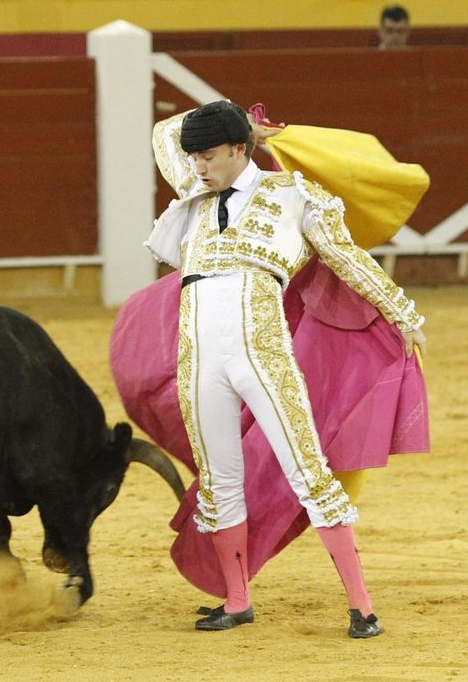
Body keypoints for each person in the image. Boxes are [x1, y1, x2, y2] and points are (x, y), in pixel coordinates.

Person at [110, 105, 430, 637]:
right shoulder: (196, 186)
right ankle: (237, 600)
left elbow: (348, 258)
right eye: (195, 157)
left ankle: (362, 606)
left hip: (262, 355)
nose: (199, 166)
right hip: (197, 359)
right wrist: (232, 119)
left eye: (209, 155)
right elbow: (163, 132)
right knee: (219, 484)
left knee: (309, 473)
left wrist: (403, 313)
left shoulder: (296, 196)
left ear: (240, 149)